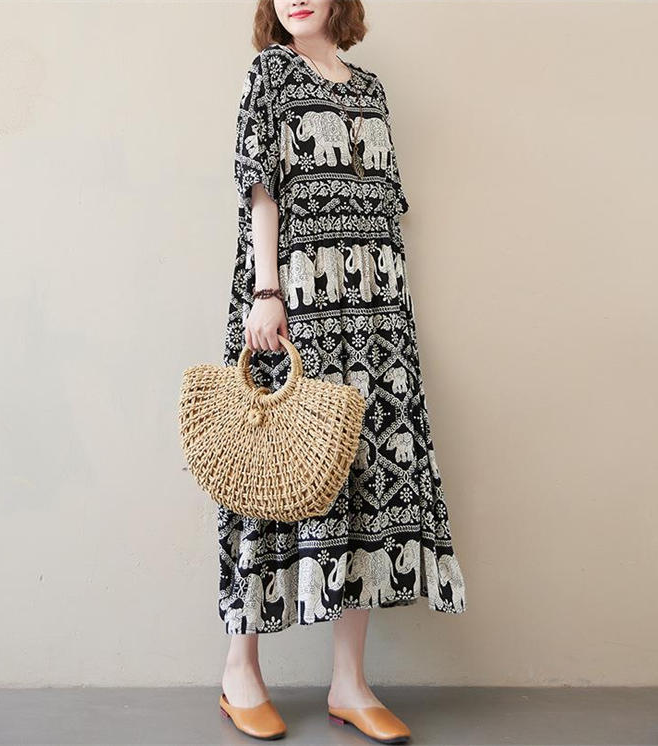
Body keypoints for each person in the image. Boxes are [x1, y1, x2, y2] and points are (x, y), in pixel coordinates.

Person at [217, 0, 467, 741]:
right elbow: (260, 188)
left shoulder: (371, 87)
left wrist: (393, 312)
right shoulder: (270, 72)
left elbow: (386, 206)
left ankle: (349, 683)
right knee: (268, 471)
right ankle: (239, 671)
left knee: (358, 477)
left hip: (376, 311)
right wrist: (267, 292)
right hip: (296, 301)